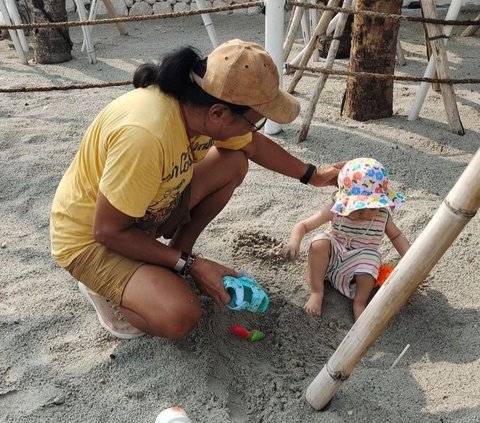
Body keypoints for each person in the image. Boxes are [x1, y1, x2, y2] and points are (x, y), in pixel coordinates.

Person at [50, 39, 344, 340]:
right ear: (219, 114)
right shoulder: (146, 135)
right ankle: (108, 290)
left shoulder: (198, 107)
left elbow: (252, 147)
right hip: (93, 240)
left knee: (233, 164)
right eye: (254, 123)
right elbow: (108, 231)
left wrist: (314, 175)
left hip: (146, 210)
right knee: (180, 315)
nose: (251, 131)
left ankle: (174, 258)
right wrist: (195, 266)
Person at [281, 157, 410, 322]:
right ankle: (317, 292)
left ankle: (359, 303)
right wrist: (294, 242)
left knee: (372, 258)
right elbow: (303, 226)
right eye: (356, 208)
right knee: (320, 242)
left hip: (358, 269)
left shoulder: (382, 216)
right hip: (331, 260)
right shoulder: (337, 211)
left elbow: (397, 236)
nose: (363, 213)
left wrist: (412, 260)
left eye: (370, 207)